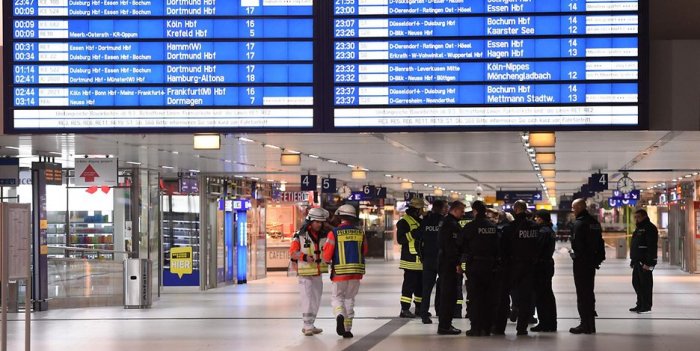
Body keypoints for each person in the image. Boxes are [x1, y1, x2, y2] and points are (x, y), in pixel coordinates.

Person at [322, 204, 368, 339]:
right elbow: (364, 251)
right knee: (349, 299)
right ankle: (347, 329)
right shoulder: (360, 233)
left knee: (337, 297)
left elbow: (326, 255)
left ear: (339, 217)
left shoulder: (333, 233)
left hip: (340, 273)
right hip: (356, 272)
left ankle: (339, 315)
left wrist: (327, 260)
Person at [290, 208, 330, 336]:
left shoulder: (324, 235)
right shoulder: (299, 235)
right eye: (317, 222)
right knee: (307, 298)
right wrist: (304, 257)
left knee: (316, 299)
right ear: (310, 221)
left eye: (321, 222)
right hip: (305, 272)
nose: (319, 224)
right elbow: (293, 252)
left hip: (318, 272)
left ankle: (311, 324)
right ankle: (307, 326)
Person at [461, 201, 499, 337]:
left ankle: (476, 327)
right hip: (490, 266)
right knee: (488, 296)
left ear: (475, 211)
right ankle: (487, 327)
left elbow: (461, 245)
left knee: (475, 296)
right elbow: (498, 246)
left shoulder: (470, 227)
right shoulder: (493, 227)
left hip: (474, 265)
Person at [503, 200, 540, 336]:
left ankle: (513, 309)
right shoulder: (535, 227)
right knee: (527, 295)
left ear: (516, 209)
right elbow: (538, 246)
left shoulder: (510, 227)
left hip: (513, 265)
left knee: (508, 292)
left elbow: (504, 248)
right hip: (530, 265)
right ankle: (522, 327)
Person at [569, 198, 605, 335]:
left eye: (573, 208)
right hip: (591, 263)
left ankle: (585, 324)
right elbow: (600, 242)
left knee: (582, 294)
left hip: (581, 263)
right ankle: (591, 325)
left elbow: (577, 244)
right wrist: (597, 259)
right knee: (589, 292)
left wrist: (576, 255)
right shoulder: (594, 222)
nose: (572, 211)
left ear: (578, 208)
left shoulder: (579, 223)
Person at [436, 201, 467, 335]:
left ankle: (445, 324)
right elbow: (451, 247)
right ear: (454, 210)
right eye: (462, 211)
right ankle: (444, 326)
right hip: (449, 265)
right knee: (449, 296)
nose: (463, 214)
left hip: (445, 263)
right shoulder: (451, 225)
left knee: (448, 295)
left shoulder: (447, 222)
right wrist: (457, 264)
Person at [418, 200, 447, 324]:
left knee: (426, 289)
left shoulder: (425, 222)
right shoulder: (445, 222)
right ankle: (440, 311)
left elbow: (418, 241)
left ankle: (424, 314)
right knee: (443, 287)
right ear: (442, 209)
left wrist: (422, 256)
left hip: (428, 259)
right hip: (442, 259)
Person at [397, 198, 425, 318]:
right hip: (410, 261)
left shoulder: (419, 220)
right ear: (417, 210)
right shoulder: (404, 222)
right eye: (421, 209)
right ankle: (405, 309)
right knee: (409, 286)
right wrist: (413, 233)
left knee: (420, 286)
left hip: (420, 260)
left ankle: (419, 308)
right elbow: (401, 239)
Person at [531, 209, 558, 332]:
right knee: (548, 294)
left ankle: (544, 323)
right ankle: (551, 322)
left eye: (536, 218)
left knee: (541, 296)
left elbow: (537, 249)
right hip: (548, 264)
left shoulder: (543, 232)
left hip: (541, 266)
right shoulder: (550, 231)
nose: (535, 220)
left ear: (541, 218)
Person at [630, 209, 658, 314]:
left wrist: (649, 263)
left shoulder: (650, 228)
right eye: (635, 217)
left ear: (644, 217)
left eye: (639, 217)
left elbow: (652, 247)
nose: (636, 219)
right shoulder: (639, 229)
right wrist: (633, 260)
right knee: (636, 283)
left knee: (645, 284)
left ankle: (646, 306)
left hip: (645, 262)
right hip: (637, 261)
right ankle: (640, 303)